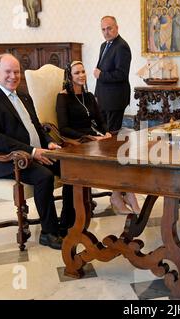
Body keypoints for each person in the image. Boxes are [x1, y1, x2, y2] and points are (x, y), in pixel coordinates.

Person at [0, 53, 74, 250]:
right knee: (44, 176)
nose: (13, 76)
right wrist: (31, 151)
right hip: (7, 160)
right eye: (8, 72)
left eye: (16, 72)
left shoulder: (24, 95)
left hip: (36, 153)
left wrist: (48, 143)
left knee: (72, 168)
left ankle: (67, 224)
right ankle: (49, 232)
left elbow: (37, 126)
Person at [60, 61, 141, 215]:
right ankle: (122, 197)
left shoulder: (89, 96)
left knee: (123, 154)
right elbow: (64, 128)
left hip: (97, 138)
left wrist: (106, 133)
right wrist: (90, 137)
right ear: (69, 77)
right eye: (77, 73)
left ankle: (120, 195)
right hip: (80, 141)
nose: (81, 75)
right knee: (115, 159)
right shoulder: (63, 98)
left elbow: (100, 120)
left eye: (83, 71)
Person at [94, 16, 132, 133]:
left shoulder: (121, 46)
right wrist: (97, 94)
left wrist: (101, 75)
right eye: (103, 29)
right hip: (103, 99)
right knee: (104, 134)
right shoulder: (104, 45)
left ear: (117, 28)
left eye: (109, 28)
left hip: (115, 99)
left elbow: (121, 74)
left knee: (112, 136)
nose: (106, 32)